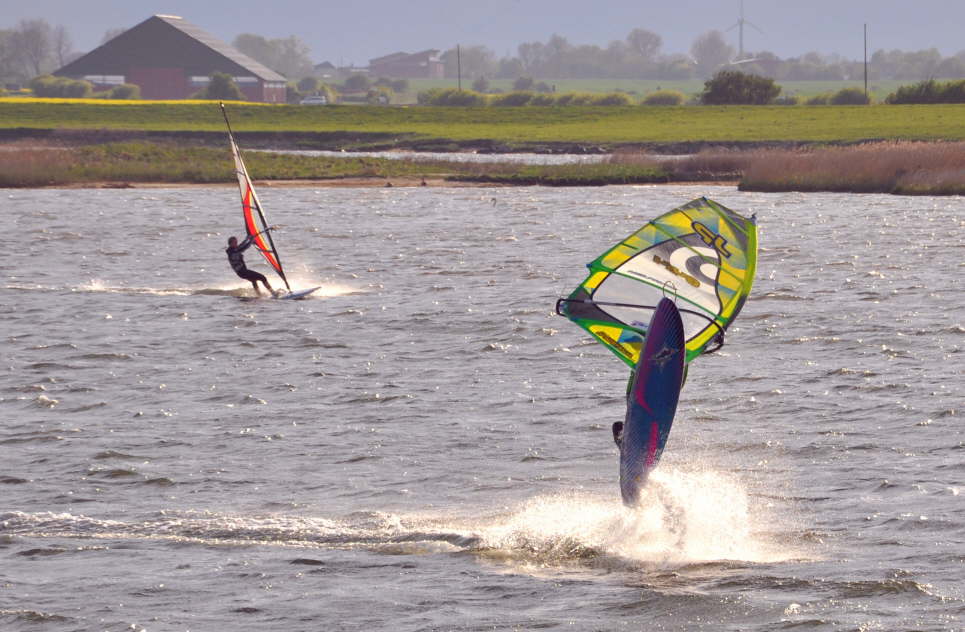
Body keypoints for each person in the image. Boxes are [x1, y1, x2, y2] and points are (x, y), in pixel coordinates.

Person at [226, 232, 275, 297]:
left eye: (236, 242)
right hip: (242, 272)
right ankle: (273, 293)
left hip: (241, 272)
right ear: (231, 244)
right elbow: (244, 247)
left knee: (254, 280)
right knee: (263, 278)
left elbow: (241, 245)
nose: (236, 244)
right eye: (235, 242)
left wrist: (247, 239)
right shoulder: (232, 251)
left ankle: (259, 295)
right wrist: (251, 240)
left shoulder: (233, 249)